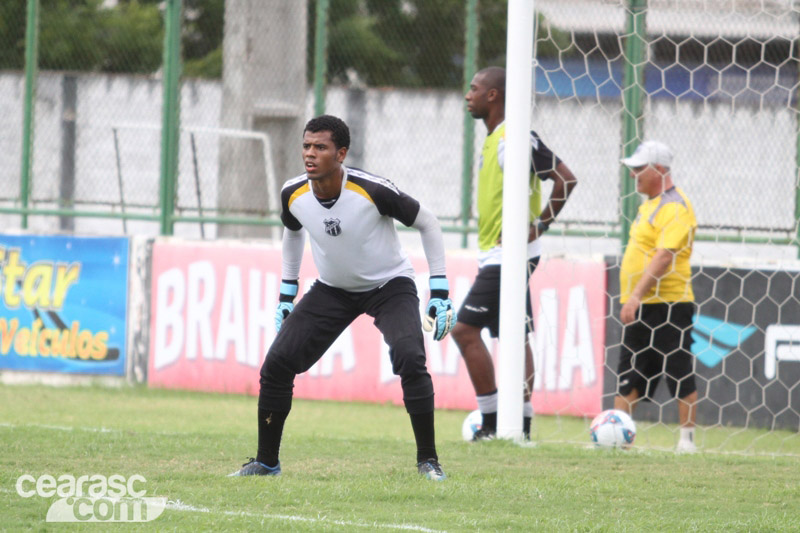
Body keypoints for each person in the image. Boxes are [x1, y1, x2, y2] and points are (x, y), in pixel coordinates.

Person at [230, 115, 455, 480]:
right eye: (306, 146)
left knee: (410, 358)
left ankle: (428, 461)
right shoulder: (293, 193)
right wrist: (287, 295)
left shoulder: (373, 190)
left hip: (389, 286)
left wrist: (440, 289)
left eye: (320, 147)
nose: (310, 154)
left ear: (341, 154)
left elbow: (428, 223)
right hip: (333, 289)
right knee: (277, 365)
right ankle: (266, 462)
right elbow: (292, 232)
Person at [451, 66, 578, 440]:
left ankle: (491, 423)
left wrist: (539, 225)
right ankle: (520, 426)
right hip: (495, 253)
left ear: (492, 95)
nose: (468, 95)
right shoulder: (495, 139)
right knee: (514, 335)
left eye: (474, 88)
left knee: (464, 330)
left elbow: (566, 178)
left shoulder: (516, 137)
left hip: (509, 256)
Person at [614, 140, 699, 453]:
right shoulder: (649, 205)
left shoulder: (674, 206)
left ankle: (686, 442)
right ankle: (616, 439)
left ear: (660, 169)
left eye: (639, 168)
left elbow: (664, 256)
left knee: (678, 369)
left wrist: (635, 295)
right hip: (642, 304)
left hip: (669, 303)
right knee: (629, 373)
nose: (633, 174)